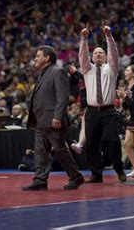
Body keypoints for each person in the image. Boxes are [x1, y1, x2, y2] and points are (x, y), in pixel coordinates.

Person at [22, 45, 84, 191]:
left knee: (60, 149)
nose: (35, 59)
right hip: (40, 120)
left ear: (47, 57)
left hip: (52, 120)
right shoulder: (42, 74)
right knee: (40, 151)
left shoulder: (58, 71)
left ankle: (76, 177)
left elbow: (63, 97)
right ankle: (40, 180)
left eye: (38, 56)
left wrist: (57, 116)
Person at [79, 23, 126, 183]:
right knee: (91, 144)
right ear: (92, 57)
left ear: (105, 57)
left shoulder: (111, 69)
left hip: (108, 111)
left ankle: (118, 168)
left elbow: (114, 53)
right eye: (96, 53)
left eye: (101, 53)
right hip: (92, 111)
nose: (98, 54)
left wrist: (108, 37)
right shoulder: (87, 69)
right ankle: (96, 174)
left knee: (113, 141)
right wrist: (84, 39)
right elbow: (82, 56)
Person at [68, 64, 87, 154]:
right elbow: (71, 84)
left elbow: (85, 78)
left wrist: (76, 72)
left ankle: (80, 144)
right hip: (84, 106)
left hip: (91, 104)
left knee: (85, 126)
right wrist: (72, 74)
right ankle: (80, 144)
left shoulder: (90, 74)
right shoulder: (79, 76)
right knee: (84, 126)